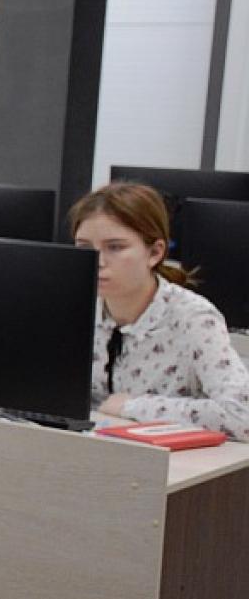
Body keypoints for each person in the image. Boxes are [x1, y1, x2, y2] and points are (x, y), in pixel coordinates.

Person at [70, 182, 249, 439]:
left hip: (169, 459)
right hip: (93, 451)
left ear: (155, 253)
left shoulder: (193, 318)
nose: (97, 261)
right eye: (84, 247)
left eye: (115, 247)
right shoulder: (74, 308)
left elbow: (242, 414)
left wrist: (133, 406)